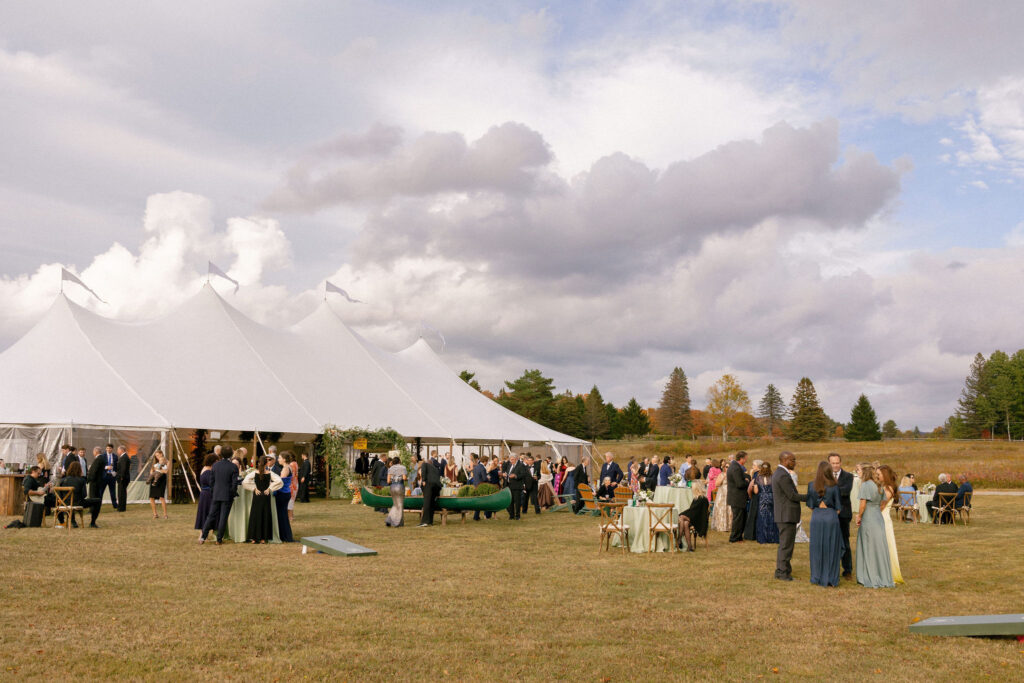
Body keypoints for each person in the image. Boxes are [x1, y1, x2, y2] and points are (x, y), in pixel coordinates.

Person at [855, 464, 894, 588]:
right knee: (879, 547)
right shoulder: (879, 486)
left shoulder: (865, 485)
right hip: (878, 516)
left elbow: (862, 505)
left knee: (869, 546)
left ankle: (869, 575)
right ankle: (883, 575)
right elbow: (881, 502)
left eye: (859, 471)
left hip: (869, 518)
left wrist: (859, 516)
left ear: (865, 472)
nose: (858, 473)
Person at [806, 461, 842, 587]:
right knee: (831, 547)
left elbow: (810, 505)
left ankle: (816, 576)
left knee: (816, 547)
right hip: (830, 517)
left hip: (816, 517)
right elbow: (838, 507)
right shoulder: (834, 486)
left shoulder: (811, 485)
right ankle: (831, 577)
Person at [772, 451, 806, 581]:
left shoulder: (781, 473)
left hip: (785, 514)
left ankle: (783, 570)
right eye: (793, 460)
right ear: (785, 460)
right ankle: (782, 572)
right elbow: (792, 495)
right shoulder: (782, 475)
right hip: (786, 515)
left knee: (786, 545)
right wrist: (811, 497)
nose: (795, 463)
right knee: (786, 546)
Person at [200, 446, 239, 545]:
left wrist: (214, 492)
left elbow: (212, 482)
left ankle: (203, 536)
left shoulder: (215, 465)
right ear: (231, 455)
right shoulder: (233, 467)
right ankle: (219, 539)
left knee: (211, 515)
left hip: (216, 493)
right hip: (227, 495)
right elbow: (234, 484)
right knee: (223, 517)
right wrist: (232, 494)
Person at [825, 453, 855, 579]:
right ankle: (831, 569)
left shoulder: (848, 476)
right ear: (829, 464)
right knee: (830, 542)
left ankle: (847, 570)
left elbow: (845, 491)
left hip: (843, 514)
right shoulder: (825, 476)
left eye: (837, 463)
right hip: (829, 514)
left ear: (840, 463)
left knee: (845, 542)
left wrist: (830, 493)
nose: (835, 465)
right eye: (833, 463)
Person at [242, 456, 282, 543]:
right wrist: (270, 488)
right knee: (265, 515)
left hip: (257, 495)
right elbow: (279, 481)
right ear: (266, 463)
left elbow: (245, 482)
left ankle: (254, 538)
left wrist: (254, 488)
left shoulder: (254, 473)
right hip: (265, 496)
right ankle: (263, 538)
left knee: (255, 515)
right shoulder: (270, 473)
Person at [877, 465, 904, 584]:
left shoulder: (888, 488)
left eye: (879, 474)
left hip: (882, 518)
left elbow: (881, 505)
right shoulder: (883, 487)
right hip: (880, 516)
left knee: (886, 545)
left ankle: (889, 573)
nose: (877, 476)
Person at [57, 461, 101, 528]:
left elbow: (59, 495)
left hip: (65, 504)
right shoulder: (82, 480)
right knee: (98, 501)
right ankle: (92, 523)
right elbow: (84, 495)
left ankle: (73, 522)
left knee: (70, 502)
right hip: (78, 503)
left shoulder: (62, 480)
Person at [675, 480, 710, 552]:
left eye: (692, 487)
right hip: (694, 518)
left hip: (700, 521)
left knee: (681, 518)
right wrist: (682, 514)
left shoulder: (702, 499)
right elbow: (691, 510)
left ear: (696, 488)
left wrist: (681, 514)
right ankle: (690, 547)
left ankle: (679, 539)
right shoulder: (697, 498)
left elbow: (694, 512)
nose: (691, 488)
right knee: (685, 523)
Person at [727, 452, 750, 543]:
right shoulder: (736, 468)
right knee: (738, 519)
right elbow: (739, 484)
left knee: (741, 518)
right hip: (737, 497)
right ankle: (734, 538)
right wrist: (747, 481)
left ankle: (739, 536)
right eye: (745, 458)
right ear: (741, 459)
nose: (746, 460)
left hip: (737, 497)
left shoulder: (734, 466)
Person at [752, 462, 778, 544]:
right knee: (772, 516)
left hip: (762, 498)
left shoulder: (758, 478)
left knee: (762, 517)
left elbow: (756, 491)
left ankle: (763, 538)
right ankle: (772, 537)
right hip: (771, 498)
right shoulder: (773, 477)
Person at [194, 453, 218, 534]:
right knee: (207, 512)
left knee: (205, 512)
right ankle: (204, 533)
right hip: (208, 494)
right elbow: (211, 483)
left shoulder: (206, 468)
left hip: (205, 494)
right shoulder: (208, 471)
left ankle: (206, 533)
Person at [274, 453, 295, 542]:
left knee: (282, 515)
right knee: (282, 514)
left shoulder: (286, 468)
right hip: (285, 493)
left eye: (279, 458)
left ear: (284, 459)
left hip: (283, 493)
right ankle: (284, 535)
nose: (278, 459)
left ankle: (285, 536)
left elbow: (280, 482)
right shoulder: (287, 467)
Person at [419, 456, 442, 526]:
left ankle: (425, 522)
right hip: (437, 486)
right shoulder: (435, 469)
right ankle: (430, 521)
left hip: (429, 484)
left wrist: (423, 480)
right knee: (432, 504)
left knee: (426, 503)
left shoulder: (424, 464)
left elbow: (423, 470)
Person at [385, 456, 408, 527]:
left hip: (392, 486)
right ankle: (397, 523)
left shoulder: (390, 468)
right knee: (400, 504)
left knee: (395, 504)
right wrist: (407, 479)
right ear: (399, 461)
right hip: (399, 486)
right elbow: (404, 478)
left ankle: (389, 519)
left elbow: (388, 481)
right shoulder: (403, 467)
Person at [709, 463, 731, 533]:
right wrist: (723, 478)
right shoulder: (721, 474)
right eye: (727, 467)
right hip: (722, 494)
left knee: (729, 510)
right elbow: (717, 484)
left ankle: (729, 526)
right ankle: (721, 526)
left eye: (729, 467)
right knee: (722, 509)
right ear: (724, 468)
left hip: (730, 494)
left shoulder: (732, 475)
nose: (728, 468)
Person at [505, 453, 528, 520]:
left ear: (516, 459)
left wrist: (515, 476)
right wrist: (505, 475)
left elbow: (523, 474)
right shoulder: (509, 465)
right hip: (509, 485)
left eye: (512, 459)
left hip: (517, 486)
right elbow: (508, 473)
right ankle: (511, 515)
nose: (511, 461)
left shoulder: (521, 465)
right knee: (510, 501)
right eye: (510, 459)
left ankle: (517, 516)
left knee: (517, 502)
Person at [148, 450, 169, 519]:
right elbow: (151, 471)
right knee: (151, 497)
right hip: (154, 479)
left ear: (161, 454)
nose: (157, 457)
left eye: (158, 455)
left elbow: (166, 471)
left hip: (162, 480)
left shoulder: (167, 462)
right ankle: (155, 514)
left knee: (161, 497)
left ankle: (165, 514)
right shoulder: (155, 462)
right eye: (156, 456)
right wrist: (153, 473)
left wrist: (159, 469)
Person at [115, 446, 131, 512]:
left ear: (121, 450)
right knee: (122, 493)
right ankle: (121, 507)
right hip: (123, 477)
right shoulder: (123, 457)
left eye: (118, 450)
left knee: (121, 493)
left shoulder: (124, 457)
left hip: (123, 478)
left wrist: (122, 476)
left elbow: (123, 468)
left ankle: (121, 508)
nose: (117, 451)